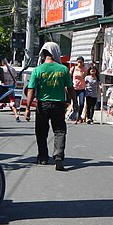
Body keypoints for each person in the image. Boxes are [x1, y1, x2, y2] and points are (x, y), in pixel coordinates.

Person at [25, 41, 77, 171]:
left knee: (41, 132)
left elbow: (31, 89)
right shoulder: (63, 69)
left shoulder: (38, 70)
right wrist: (75, 103)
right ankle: (58, 154)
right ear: (56, 52)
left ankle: (43, 157)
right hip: (59, 104)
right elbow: (70, 88)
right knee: (59, 131)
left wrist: (27, 108)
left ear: (43, 54)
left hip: (42, 104)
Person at [0, 57, 21, 122]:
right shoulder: (12, 69)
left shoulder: (1, 69)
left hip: (3, 88)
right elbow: (15, 77)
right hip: (11, 88)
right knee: (12, 102)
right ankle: (16, 115)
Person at [70, 56, 87, 123]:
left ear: (83, 62)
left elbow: (86, 77)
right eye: (78, 62)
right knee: (75, 102)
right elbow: (69, 76)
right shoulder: (73, 68)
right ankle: (74, 115)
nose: (79, 63)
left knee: (82, 103)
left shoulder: (84, 69)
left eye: (81, 62)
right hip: (74, 88)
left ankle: (79, 116)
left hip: (82, 88)